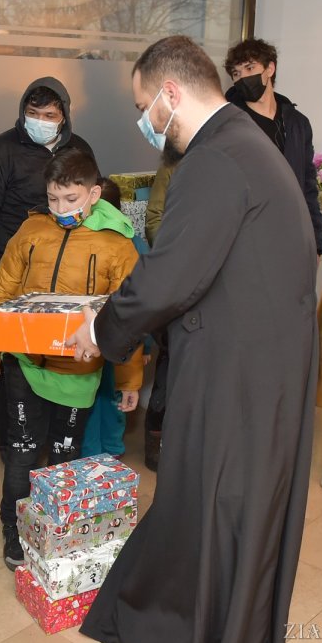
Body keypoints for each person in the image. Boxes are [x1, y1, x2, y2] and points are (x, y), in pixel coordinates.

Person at [69, 35, 317, 643]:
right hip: (258, 376)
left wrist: (101, 330)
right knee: (211, 524)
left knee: (216, 522)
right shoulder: (242, 145)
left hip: (240, 384)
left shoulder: (213, 159)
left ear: (172, 95)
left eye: (144, 105)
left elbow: (169, 278)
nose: (144, 121)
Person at [0, 148, 143, 570]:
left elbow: (130, 317)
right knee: (22, 454)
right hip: (24, 364)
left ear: (94, 192)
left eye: (70, 199)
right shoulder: (31, 231)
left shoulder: (118, 245)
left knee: (63, 458)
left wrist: (129, 380)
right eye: (53, 199)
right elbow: (3, 290)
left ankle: (52, 529)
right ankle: (13, 533)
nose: (61, 209)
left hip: (79, 372)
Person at [0, 78, 95, 455]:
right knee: (14, 366)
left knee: (62, 359)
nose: (39, 120)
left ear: (64, 116)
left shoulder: (80, 150)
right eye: (32, 114)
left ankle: (58, 448)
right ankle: (15, 449)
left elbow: (91, 207)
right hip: (12, 276)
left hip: (66, 278)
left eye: (49, 115)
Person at [224, 38, 322, 257]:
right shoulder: (228, 122)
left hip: (291, 235)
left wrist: (315, 243)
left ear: (270, 68)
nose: (243, 77)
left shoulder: (298, 123)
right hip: (245, 239)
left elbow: (308, 185)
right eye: (236, 73)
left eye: (250, 68)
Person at [81, 178, 152, 458]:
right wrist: (144, 346)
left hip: (100, 334)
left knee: (96, 395)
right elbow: (145, 303)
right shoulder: (135, 240)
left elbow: (140, 301)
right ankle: (111, 450)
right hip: (122, 339)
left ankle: (94, 452)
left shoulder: (109, 240)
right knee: (113, 395)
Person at [141, 162, 177, 471]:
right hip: (177, 273)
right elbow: (153, 219)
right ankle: (155, 436)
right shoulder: (173, 164)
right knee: (170, 358)